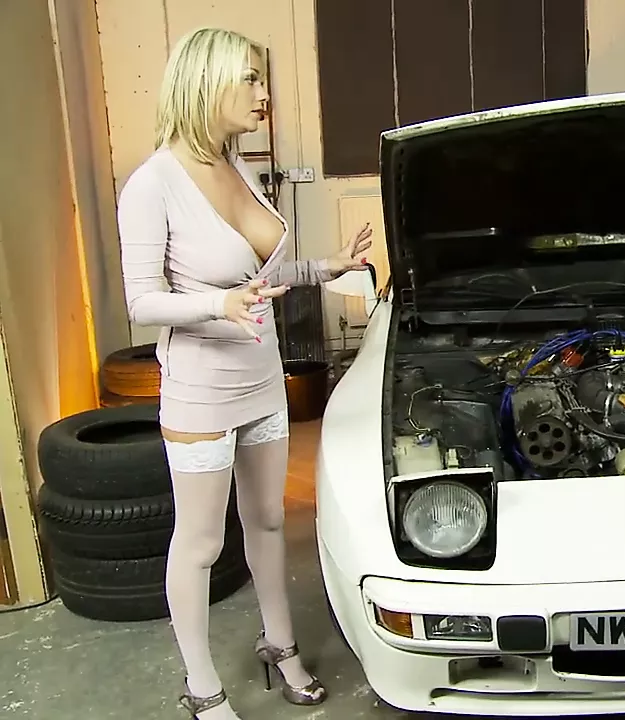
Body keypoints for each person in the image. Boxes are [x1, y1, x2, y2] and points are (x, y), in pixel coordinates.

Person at [116, 27, 374, 719]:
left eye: (263, 79)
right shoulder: (153, 184)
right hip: (201, 389)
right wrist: (216, 304)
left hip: (261, 379)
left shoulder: (239, 167)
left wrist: (324, 268)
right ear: (206, 83)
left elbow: (258, 275)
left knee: (266, 520)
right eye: (251, 79)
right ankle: (201, 687)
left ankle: (280, 644)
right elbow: (141, 301)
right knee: (201, 542)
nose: (264, 94)